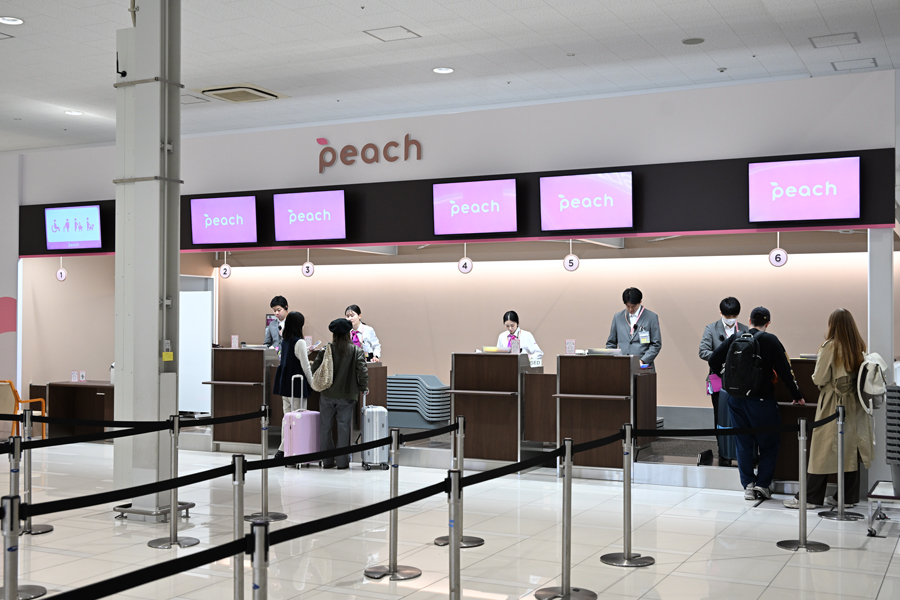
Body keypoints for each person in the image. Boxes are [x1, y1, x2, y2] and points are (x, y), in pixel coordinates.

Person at [709, 306, 803, 501]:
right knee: (768, 444)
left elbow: (713, 359)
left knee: (743, 443)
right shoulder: (770, 340)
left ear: (749, 320)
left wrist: (722, 376)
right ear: (767, 323)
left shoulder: (737, 337)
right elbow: (785, 372)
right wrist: (797, 395)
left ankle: (748, 486)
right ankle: (762, 485)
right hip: (761, 401)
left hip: (736, 399)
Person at [784, 309, 874, 509]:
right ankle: (848, 497)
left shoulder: (830, 346)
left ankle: (810, 498)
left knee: (821, 449)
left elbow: (819, 377)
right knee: (850, 449)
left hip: (833, 402)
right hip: (854, 403)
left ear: (832, 324)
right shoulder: (859, 346)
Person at [312, 318, 368, 469]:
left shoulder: (326, 349)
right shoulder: (356, 351)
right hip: (347, 396)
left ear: (334, 334)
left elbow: (314, 369)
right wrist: (363, 387)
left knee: (325, 427)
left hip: (327, 394)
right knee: (343, 428)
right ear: (349, 333)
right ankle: (342, 462)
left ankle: (327, 461)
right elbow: (362, 371)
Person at [699, 297, 749, 466]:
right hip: (718, 379)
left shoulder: (744, 329)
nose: (730, 319)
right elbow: (703, 351)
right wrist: (720, 358)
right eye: (727, 316)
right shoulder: (711, 329)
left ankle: (739, 450)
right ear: (721, 313)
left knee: (740, 415)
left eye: (733, 315)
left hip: (739, 381)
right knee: (719, 416)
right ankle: (723, 452)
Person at [271, 311, 314, 459]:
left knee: (287, 418)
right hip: (297, 386)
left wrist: (305, 352)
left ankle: (284, 449)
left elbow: (292, 358)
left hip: (285, 385)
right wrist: (313, 383)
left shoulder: (285, 341)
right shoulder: (300, 342)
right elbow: (305, 366)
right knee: (296, 419)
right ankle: (285, 450)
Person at [606, 287, 661, 371]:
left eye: (634, 306)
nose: (630, 310)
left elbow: (656, 344)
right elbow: (611, 343)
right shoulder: (618, 317)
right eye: (628, 306)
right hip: (622, 367)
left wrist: (643, 360)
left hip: (643, 367)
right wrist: (614, 361)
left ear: (640, 302)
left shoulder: (651, 317)